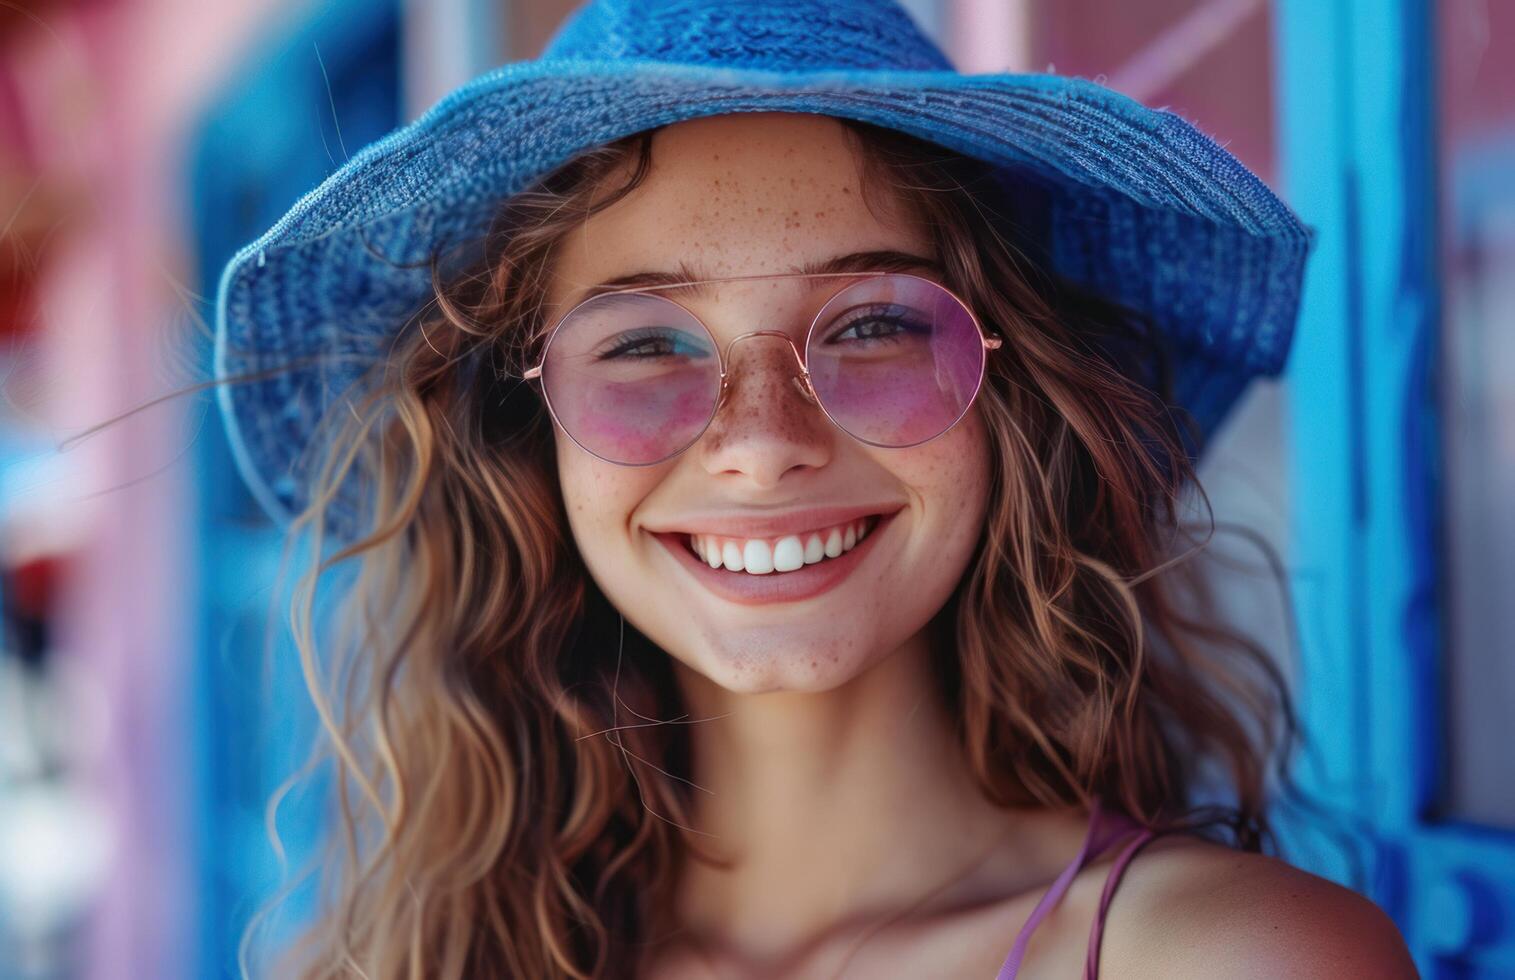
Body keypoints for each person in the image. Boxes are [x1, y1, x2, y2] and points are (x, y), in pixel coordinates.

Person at [212, 1, 1418, 977]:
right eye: (643, 342)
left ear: (1014, 392)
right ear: (528, 433)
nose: (762, 442)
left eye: (876, 322)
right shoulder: (402, 967)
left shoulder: (1231, 960)